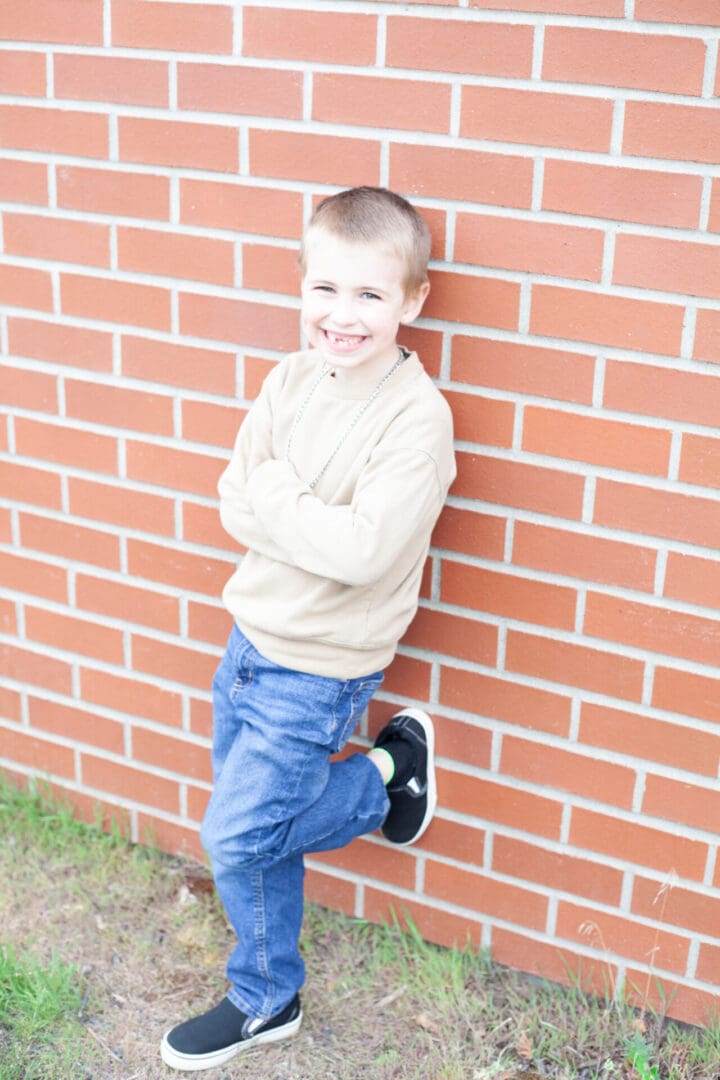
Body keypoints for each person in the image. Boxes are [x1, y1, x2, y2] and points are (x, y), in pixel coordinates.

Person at [160, 186, 457, 1072]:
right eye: (325, 290)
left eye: (369, 295)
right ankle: (274, 989)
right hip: (249, 644)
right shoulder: (288, 379)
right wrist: (293, 517)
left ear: (412, 301)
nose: (342, 315)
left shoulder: (416, 420)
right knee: (257, 835)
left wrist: (280, 500)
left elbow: (360, 551)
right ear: (300, 287)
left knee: (239, 836)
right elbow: (229, 496)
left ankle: (381, 780)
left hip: (320, 669)